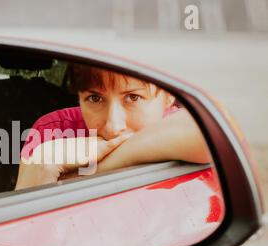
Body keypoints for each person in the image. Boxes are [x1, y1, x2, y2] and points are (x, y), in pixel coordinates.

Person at [15, 63, 210, 190]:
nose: (113, 126)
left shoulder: (178, 125)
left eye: (133, 97)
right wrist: (43, 162)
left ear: (169, 96)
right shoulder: (53, 130)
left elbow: (208, 133)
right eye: (95, 98)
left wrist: (81, 175)